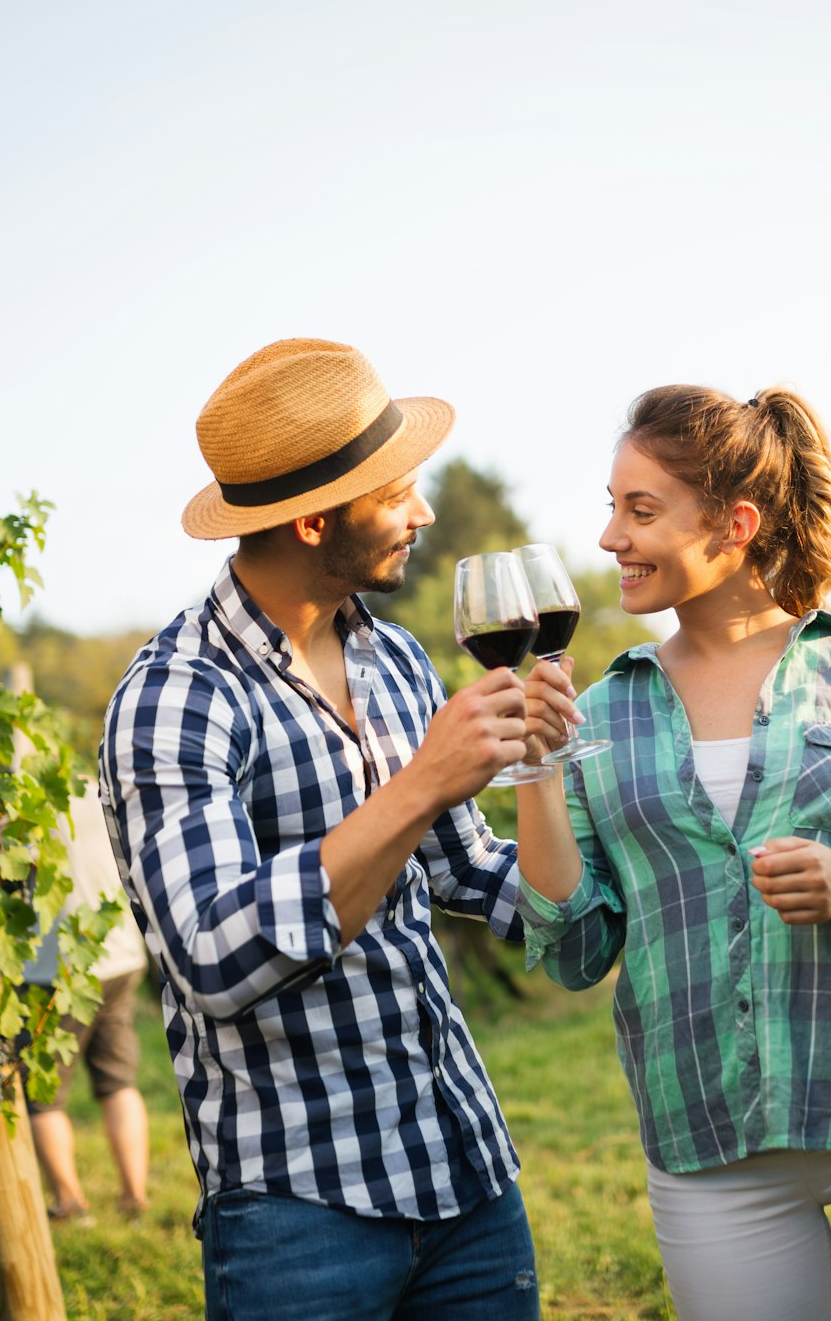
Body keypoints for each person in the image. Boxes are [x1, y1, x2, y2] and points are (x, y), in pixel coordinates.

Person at [511, 385, 831, 1320]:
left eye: (640, 510)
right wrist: (539, 772)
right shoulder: (602, 713)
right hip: (709, 1147)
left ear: (735, 525)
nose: (610, 537)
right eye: (612, 507)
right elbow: (577, 950)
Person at [99, 338, 574, 1320]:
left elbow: (469, 870)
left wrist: (611, 855)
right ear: (313, 521)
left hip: (462, 1169)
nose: (423, 512)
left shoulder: (393, 657)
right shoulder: (177, 695)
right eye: (397, 493)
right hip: (299, 1209)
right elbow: (214, 955)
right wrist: (420, 782)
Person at [24, 780, 153, 1224]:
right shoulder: (92, 785)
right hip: (119, 953)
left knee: (43, 1096)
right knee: (119, 1081)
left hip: (56, 969)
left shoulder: (18, 799)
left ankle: (70, 1203)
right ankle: (134, 1198)